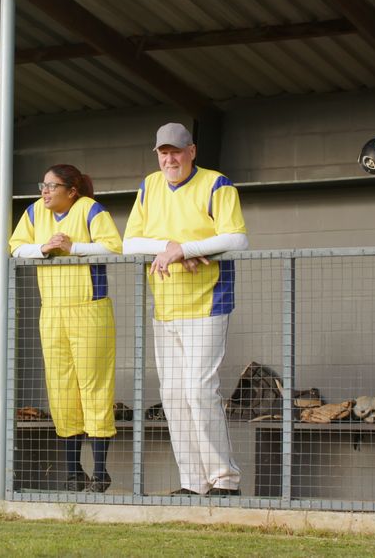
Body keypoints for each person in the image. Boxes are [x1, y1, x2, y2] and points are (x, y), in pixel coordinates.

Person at [122, 122, 249, 496]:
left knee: (199, 391)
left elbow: (237, 238)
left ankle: (225, 479)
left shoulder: (216, 184)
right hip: (166, 306)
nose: (169, 158)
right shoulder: (149, 185)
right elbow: (130, 243)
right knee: (174, 395)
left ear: (192, 151)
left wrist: (187, 249)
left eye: (176, 151)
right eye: (163, 152)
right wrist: (172, 247)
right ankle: (193, 483)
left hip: (209, 303)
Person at [9, 164, 122, 493]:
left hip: (89, 308)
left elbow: (114, 247)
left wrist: (75, 248)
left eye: (51, 186)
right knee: (61, 390)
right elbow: (15, 247)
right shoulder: (33, 213)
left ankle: (100, 473)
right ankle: (74, 472)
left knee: (94, 387)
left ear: (71, 191)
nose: (44, 191)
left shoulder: (90, 209)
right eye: (42, 185)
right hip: (52, 311)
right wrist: (43, 248)